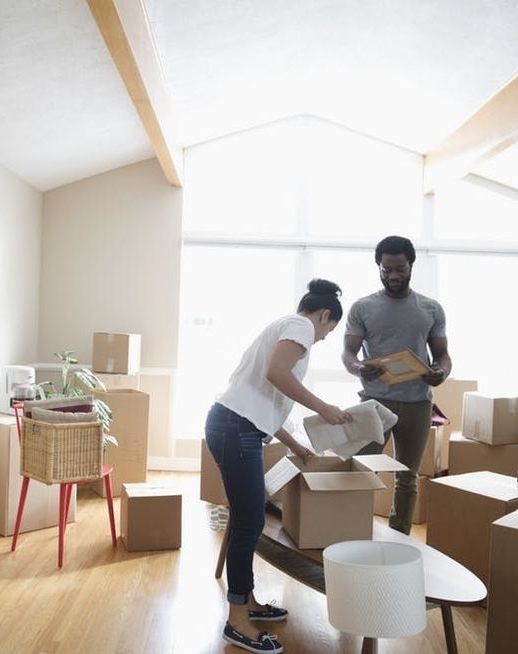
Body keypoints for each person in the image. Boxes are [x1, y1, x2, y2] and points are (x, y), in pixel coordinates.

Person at [205, 279, 352, 654]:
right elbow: (277, 374)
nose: (321, 338)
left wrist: (296, 445)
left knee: (245, 518)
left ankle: (247, 600)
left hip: (234, 424)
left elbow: (265, 400)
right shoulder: (301, 326)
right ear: (323, 315)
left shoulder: (283, 326)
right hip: (236, 428)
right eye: (328, 330)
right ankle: (237, 621)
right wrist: (325, 409)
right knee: (250, 520)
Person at [341, 235, 452, 535]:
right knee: (363, 471)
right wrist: (359, 368)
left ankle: (399, 537)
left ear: (411, 265)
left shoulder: (430, 308)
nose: (393, 275)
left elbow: (442, 356)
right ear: (378, 267)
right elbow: (349, 354)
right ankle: (355, 533)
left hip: (418, 403)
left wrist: (440, 372)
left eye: (400, 268)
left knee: (407, 476)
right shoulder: (362, 307)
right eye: (386, 269)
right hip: (375, 402)